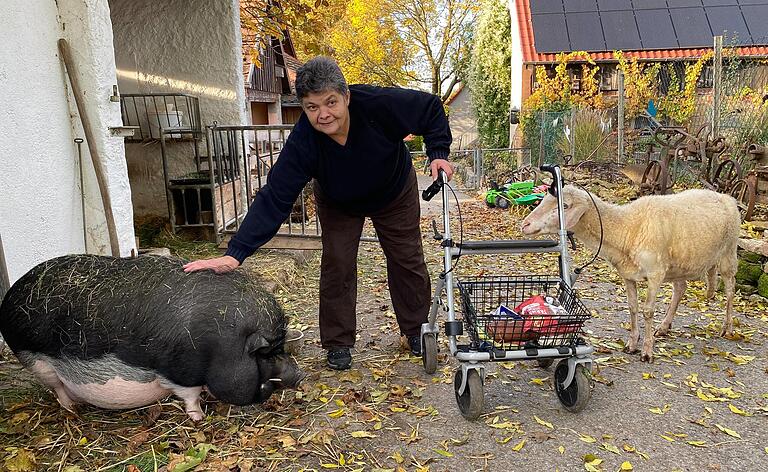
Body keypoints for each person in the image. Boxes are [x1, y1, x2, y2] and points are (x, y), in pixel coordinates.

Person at [184, 56, 453, 370]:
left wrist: (438, 153)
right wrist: (235, 254)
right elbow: (274, 197)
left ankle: (417, 331)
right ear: (303, 107)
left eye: (331, 102)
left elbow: (430, 108)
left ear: (346, 96)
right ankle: (338, 342)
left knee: (406, 257)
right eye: (312, 107)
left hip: (393, 191)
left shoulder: (378, 104)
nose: (324, 114)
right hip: (339, 201)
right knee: (337, 262)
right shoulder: (304, 143)